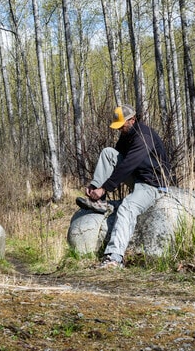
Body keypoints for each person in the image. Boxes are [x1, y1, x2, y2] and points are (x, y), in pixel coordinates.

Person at [76, 104, 172, 269]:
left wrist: (105, 188)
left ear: (132, 120)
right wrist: (95, 186)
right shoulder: (127, 134)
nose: (119, 129)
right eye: (118, 126)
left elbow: (127, 165)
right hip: (137, 177)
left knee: (127, 207)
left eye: (122, 125)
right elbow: (115, 162)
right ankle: (98, 201)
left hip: (152, 184)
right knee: (108, 153)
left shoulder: (144, 136)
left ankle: (114, 258)